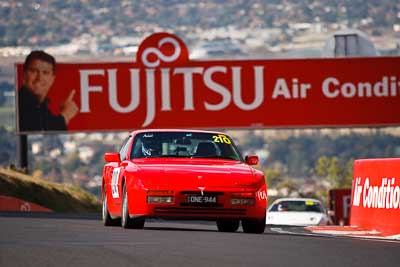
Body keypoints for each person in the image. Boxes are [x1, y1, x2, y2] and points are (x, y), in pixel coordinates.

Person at [18, 50, 78, 132]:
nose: (39, 78)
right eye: (34, 71)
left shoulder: (41, 107)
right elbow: (39, 129)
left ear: (52, 79)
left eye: (45, 73)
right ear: (24, 75)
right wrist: (65, 115)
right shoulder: (20, 104)